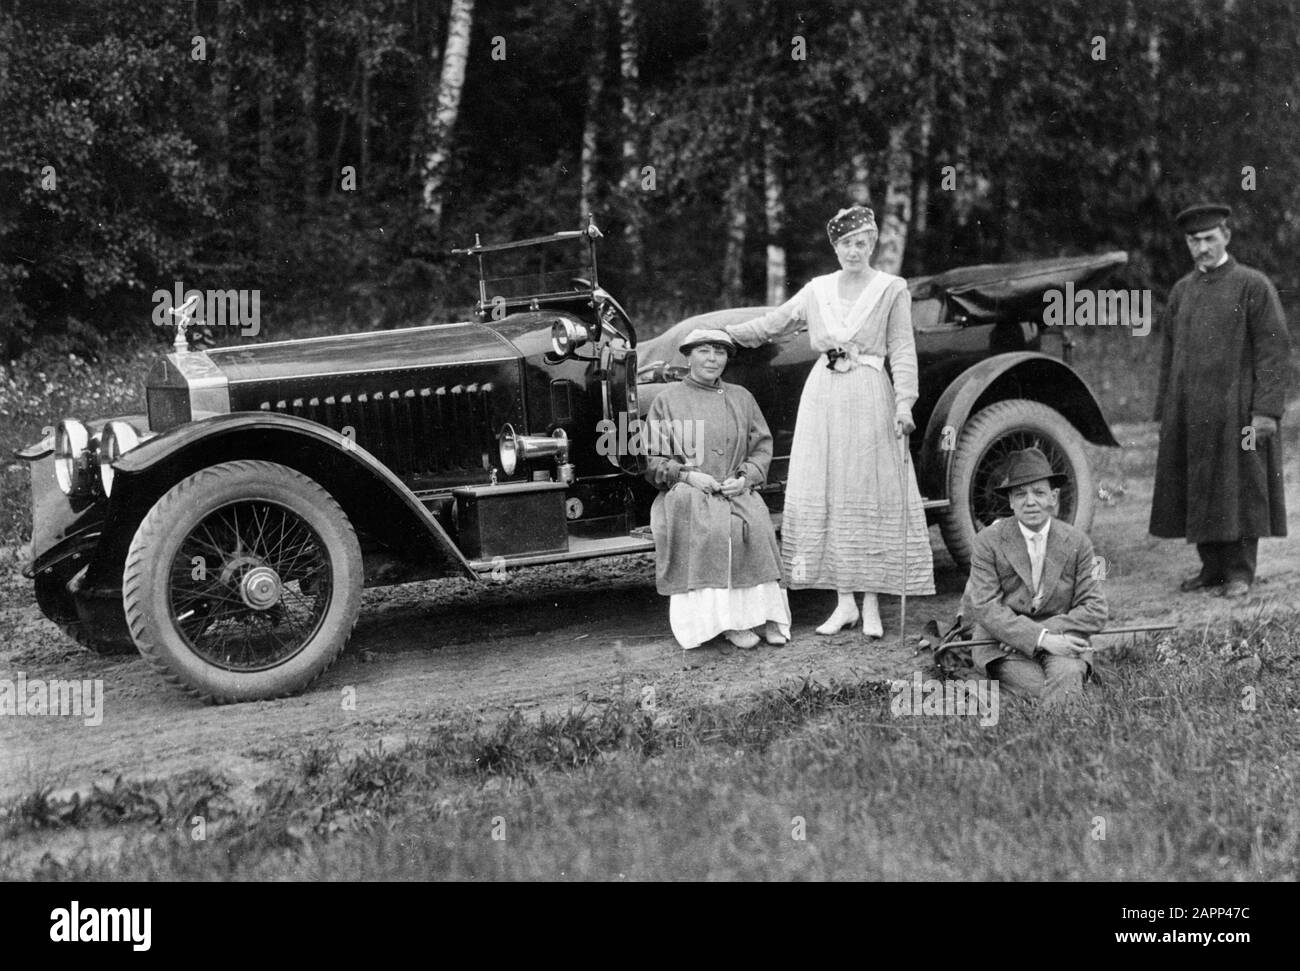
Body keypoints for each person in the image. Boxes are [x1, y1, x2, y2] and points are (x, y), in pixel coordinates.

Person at [725, 205, 934, 639]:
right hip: (824, 397)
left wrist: (904, 404)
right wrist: (724, 336)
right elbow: (773, 324)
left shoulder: (891, 288)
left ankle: (872, 604)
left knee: (868, 490)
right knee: (830, 490)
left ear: (873, 244)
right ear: (834, 247)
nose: (853, 251)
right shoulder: (817, 290)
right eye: (844, 244)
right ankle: (844, 604)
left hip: (869, 392)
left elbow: (903, 348)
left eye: (861, 242)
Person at [1150, 203, 1292, 599]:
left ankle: (1240, 572)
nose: (1201, 247)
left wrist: (1266, 411)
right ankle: (1211, 568)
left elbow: (1273, 350)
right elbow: (1170, 356)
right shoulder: (1182, 291)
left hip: (1240, 412)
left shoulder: (1253, 285)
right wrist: (1164, 412)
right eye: (1193, 241)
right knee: (1198, 486)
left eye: (1209, 238)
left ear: (1226, 237)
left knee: (1242, 485)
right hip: (1191, 412)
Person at [644, 328, 792, 652]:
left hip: (734, 486)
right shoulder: (666, 401)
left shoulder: (741, 397)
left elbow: (761, 448)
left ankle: (765, 616)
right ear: (688, 355)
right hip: (688, 489)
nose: (712, 359)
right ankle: (727, 624)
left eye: (720, 352)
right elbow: (653, 461)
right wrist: (687, 475)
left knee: (757, 527)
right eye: (704, 351)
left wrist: (746, 477)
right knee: (713, 533)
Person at [959, 448, 1108, 706]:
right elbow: (985, 607)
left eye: (1039, 493)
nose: (1030, 502)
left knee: (1069, 672)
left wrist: (1044, 634)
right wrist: (1037, 639)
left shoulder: (1078, 542)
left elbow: (1095, 609)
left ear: (1053, 497)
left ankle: (1006, 697)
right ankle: (1063, 715)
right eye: (1020, 494)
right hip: (1000, 644)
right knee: (1047, 687)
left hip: (1061, 638)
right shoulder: (987, 542)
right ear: (1010, 502)